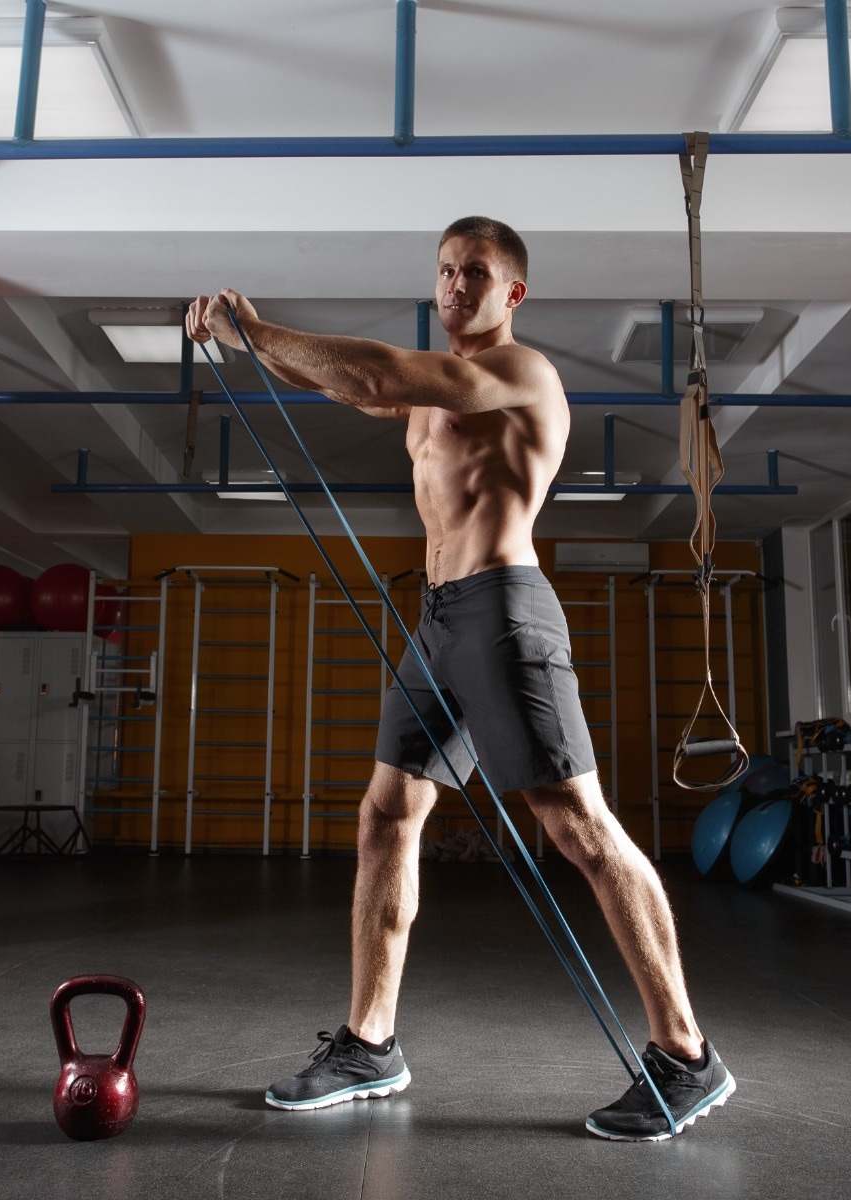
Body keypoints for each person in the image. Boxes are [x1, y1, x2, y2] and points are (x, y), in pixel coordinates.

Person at [185, 215, 733, 1142]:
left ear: (512, 293)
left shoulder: (519, 375)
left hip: (505, 612)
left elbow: (373, 374)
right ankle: (370, 1043)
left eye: (473, 273)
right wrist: (247, 347)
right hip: (439, 621)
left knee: (578, 827)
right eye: (444, 271)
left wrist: (251, 323)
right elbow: (358, 393)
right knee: (387, 814)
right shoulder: (433, 395)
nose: (453, 287)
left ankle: (687, 1056)